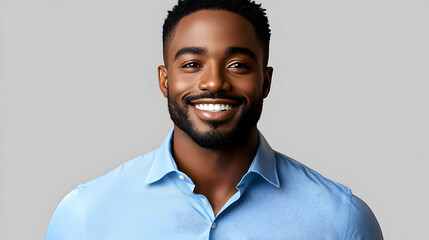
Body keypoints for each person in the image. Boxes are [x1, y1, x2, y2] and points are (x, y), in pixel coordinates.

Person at [46, 0, 383, 239]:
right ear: (165, 80)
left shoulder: (342, 220)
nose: (214, 82)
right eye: (192, 64)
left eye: (238, 65)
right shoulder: (85, 216)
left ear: (265, 81)